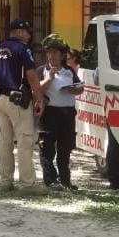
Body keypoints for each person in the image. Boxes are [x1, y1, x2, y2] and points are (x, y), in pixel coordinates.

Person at [0, 17, 46, 195]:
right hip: (19, 101)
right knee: (24, 141)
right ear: (19, 32)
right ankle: (28, 183)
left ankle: (5, 181)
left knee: (4, 142)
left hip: (2, 99)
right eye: (28, 32)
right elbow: (31, 76)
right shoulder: (23, 49)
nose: (29, 36)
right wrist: (40, 99)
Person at [36, 37, 83, 191]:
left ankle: (65, 180)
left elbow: (79, 88)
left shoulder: (68, 71)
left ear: (62, 56)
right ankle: (50, 180)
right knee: (47, 149)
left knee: (65, 149)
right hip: (50, 114)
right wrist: (49, 79)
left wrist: (75, 89)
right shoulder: (42, 70)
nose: (51, 56)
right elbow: (35, 90)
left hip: (67, 114)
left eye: (55, 52)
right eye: (49, 53)